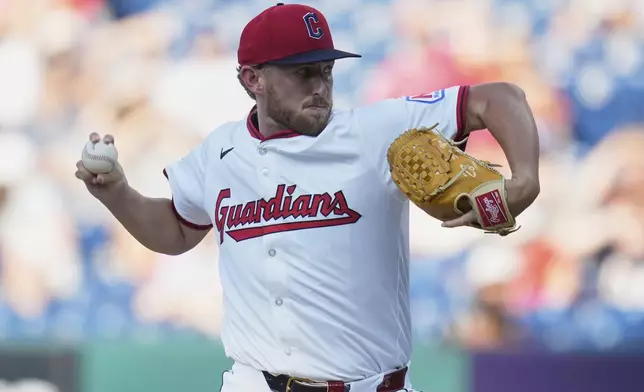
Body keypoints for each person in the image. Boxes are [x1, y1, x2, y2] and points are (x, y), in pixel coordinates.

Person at [75, 3, 540, 391]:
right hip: (253, 382)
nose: (319, 85)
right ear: (252, 80)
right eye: (301, 73)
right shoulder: (218, 152)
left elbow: (499, 97)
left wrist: (523, 181)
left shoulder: (374, 131)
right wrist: (117, 193)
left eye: (326, 70)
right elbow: (177, 230)